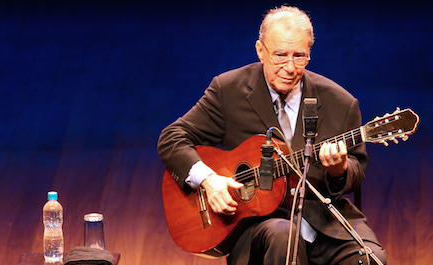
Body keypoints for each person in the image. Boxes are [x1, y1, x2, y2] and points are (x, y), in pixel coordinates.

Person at [158, 5, 387, 265]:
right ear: (260, 51)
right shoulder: (228, 90)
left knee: (370, 260)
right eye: (280, 55)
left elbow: (356, 170)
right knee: (283, 237)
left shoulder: (340, 102)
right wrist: (209, 181)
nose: (290, 67)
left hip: (321, 220)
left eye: (299, 56)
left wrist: (339, 170)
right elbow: (172, 138)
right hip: (259, 226)